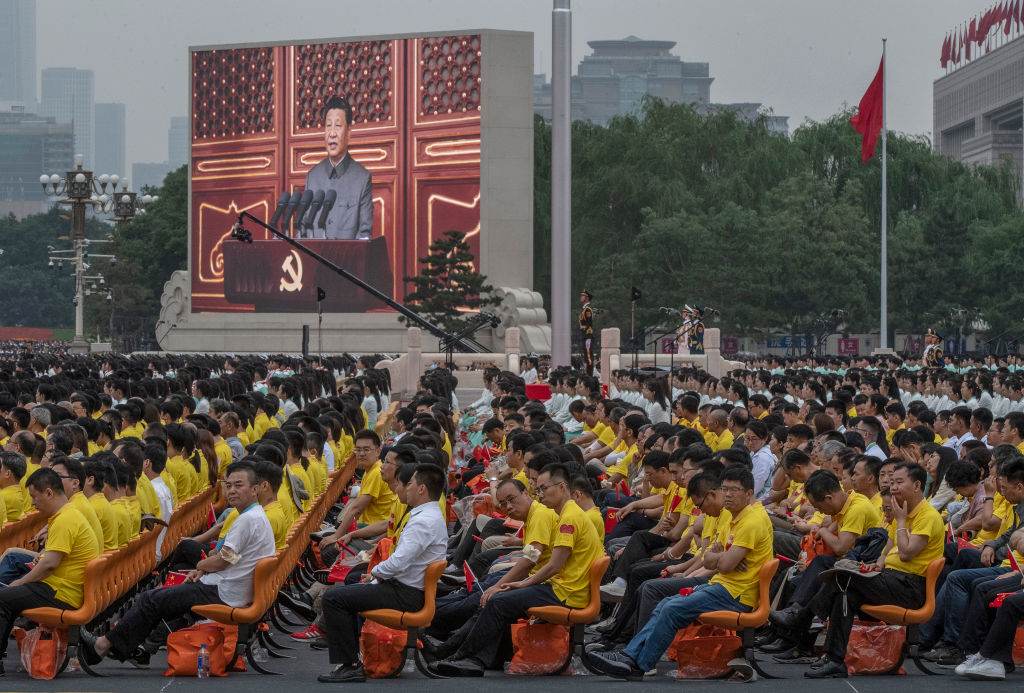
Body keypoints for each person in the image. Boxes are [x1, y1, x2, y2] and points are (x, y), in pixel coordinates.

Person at [587, 464, 772, 679]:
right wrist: (722, 557)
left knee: (672, 607)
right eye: (725, 489)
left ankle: (640, 665)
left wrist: (721, 558)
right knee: (665, 603)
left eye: (734, 490)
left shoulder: (751, 521)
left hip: (736, 593)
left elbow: (721, 564)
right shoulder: (733, 516)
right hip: (722, 585)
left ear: (749, 493)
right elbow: (710, 557)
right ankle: (629, 656)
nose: (728, 495)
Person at [81, 461, 276, 665]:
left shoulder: (246, 520)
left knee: (151, 599)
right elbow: (227, 560)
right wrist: (203, 570)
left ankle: (103, 646)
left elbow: (223, 560)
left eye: (239, 485)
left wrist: (200, 567)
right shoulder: (255, 515)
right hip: (230, 587)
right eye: (228, 485)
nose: (232, 490)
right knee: (163, 598)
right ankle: (126, 648)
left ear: (255, 489)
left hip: (225, 593)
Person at [432, 463, 603, 676]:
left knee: (496, 599)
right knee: (495, 594)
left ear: (562, 487)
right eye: (538, 490)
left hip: (565, 592)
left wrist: (521, 583)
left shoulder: (568, 518)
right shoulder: (565, 513)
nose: (540, 495)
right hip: (563, 587)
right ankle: (465, 653)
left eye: (543, 489)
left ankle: (469, 658)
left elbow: (553, 564)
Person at [799, 462, 945, 678]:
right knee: (845, 594)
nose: (893, 487)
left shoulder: (928, 516)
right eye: (892, 482)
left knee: (844, 575)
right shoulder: (902, 508)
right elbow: (889, 543)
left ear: (917, 485)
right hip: (890, 578)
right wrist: (880, 561)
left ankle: (805, 615)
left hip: (911, 587)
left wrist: (902, 521)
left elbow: (906, 553)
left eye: (898, 482)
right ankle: (835, 659)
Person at [317, 464, 448, 683]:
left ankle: (349, 665)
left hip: (405, 593)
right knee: (346, 593)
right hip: (406, 588)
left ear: (422, 489)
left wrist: (375, 573)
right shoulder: (430, 516)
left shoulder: (423, 522)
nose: (406, 487)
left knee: (334, 598)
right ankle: (352, 659)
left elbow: (399, 561)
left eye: (410, 483)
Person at [0, 468, 101, 674]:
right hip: (62, 587)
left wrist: (19, 583)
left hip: (60, 592)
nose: (33, 503)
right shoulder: (67, 514)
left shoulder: (65, 519)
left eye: (35, 497)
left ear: (48, 493)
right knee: (7, 596)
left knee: (4, 597)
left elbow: (49, 565)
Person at [302, 95, 373, 240]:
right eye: (328, 126)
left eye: (338, 126)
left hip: (346, 262)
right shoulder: (313, 177)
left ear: (348, 134)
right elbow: (304, 229)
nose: (332, 133)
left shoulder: (362, 179)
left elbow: (364, 236)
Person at [579, 290, 595, 375]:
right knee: (586, 357)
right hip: (584, 336)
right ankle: (588, 374)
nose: (581, 297)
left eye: (583, 296)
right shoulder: (584, 309)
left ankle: (589, 375)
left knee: (589, 357)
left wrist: (588, 336)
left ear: (587, 298)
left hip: (587, 336)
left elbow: (589, 325)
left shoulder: (587, 310)